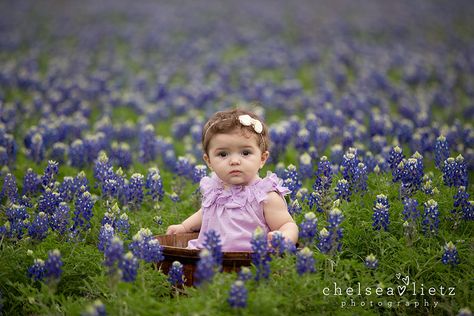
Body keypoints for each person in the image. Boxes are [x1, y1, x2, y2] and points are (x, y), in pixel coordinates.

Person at [166, 108, 298, 251]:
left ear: (262, 158)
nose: (234, 161)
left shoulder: (266, 196)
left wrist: (284, 236)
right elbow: (205, 213)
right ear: (209, 161)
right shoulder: (216, 191)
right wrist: (184, 226)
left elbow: (287, 224)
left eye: (245, 153)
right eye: (223, 154)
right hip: (207, 255)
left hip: (251, 260)